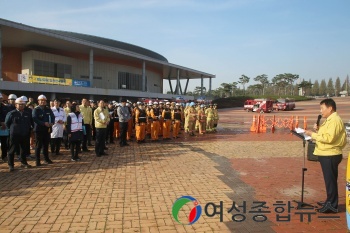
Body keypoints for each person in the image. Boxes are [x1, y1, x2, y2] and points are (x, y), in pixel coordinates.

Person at [305, 98, 347, 213]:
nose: (321, 111)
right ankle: (330, 200)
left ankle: (332, 205)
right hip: (327, 153)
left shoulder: (334, 120)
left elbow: (329, 138)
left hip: (330, 154)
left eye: (322, 108)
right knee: (329, 180)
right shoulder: (329, 120)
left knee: (330, 180)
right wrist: (318, 130)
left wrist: (312, 134)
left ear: (330, 108)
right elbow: (327, 135)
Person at [5, 97, 33, 171]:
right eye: (19, 104)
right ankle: (11, 165)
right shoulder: (11, 113)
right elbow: (7, 123)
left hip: (24, 134)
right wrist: (12, 130)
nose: (21, 106)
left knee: (23, 150)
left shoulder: (27, 113)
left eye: (23, 104)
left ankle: (24, 163)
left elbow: (30, 123)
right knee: (12, 150)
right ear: (16, 105)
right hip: (14, 135)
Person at [32, 94, 55, 166]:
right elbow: (35, 119)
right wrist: (43, 123)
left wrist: (52, 123)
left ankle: (46, 159)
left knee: (46, 145)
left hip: (47, 130)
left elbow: (52, 117)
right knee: (38, 146)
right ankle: (37, 161)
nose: (43, 102)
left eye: (44, 100)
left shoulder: (48, 109)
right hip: (39, 130)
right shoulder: (36, 109)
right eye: (41, 100)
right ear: (38, 101)